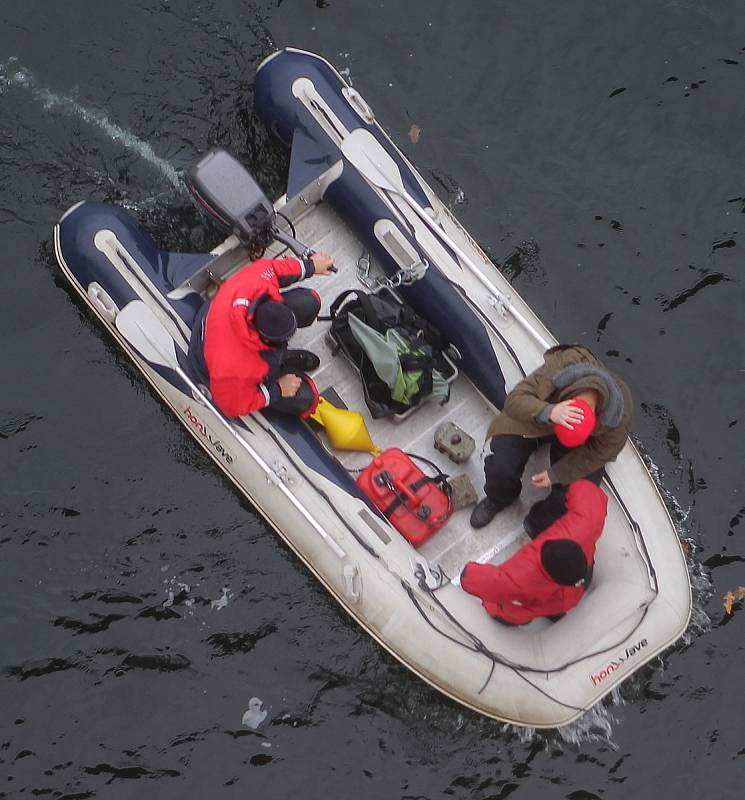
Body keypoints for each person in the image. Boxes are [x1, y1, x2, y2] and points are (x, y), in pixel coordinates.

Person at [470, 343, 632, 532]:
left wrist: (557, 473)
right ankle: (499, 498)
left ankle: (538, 524)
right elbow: (514, 400)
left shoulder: (619, 418)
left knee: (575, 496)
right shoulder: (560, 367)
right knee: (500, 466)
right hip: (540, 419)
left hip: (580, 445)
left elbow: (597, 454)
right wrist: (548, 411)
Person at [189, 251, 336, 417]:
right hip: (209, 366)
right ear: (267, 340)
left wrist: (311, 266)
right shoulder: (232, 368)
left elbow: (273, 269)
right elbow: (230, 405)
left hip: (219, 320)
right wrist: (277, 390)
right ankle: (276, 367)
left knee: (310, 301)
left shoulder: (255, 283)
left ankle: (281, 359)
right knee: (307, 399)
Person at [460, 480, 607, 624]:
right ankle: (554, 615)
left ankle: (503, 615)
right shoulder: (585, 525)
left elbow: (470, 579)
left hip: (545, 596)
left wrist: (468, 572)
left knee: (514, 612)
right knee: (549, 606)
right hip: (574, 590)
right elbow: (589, 491)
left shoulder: (520, 578)